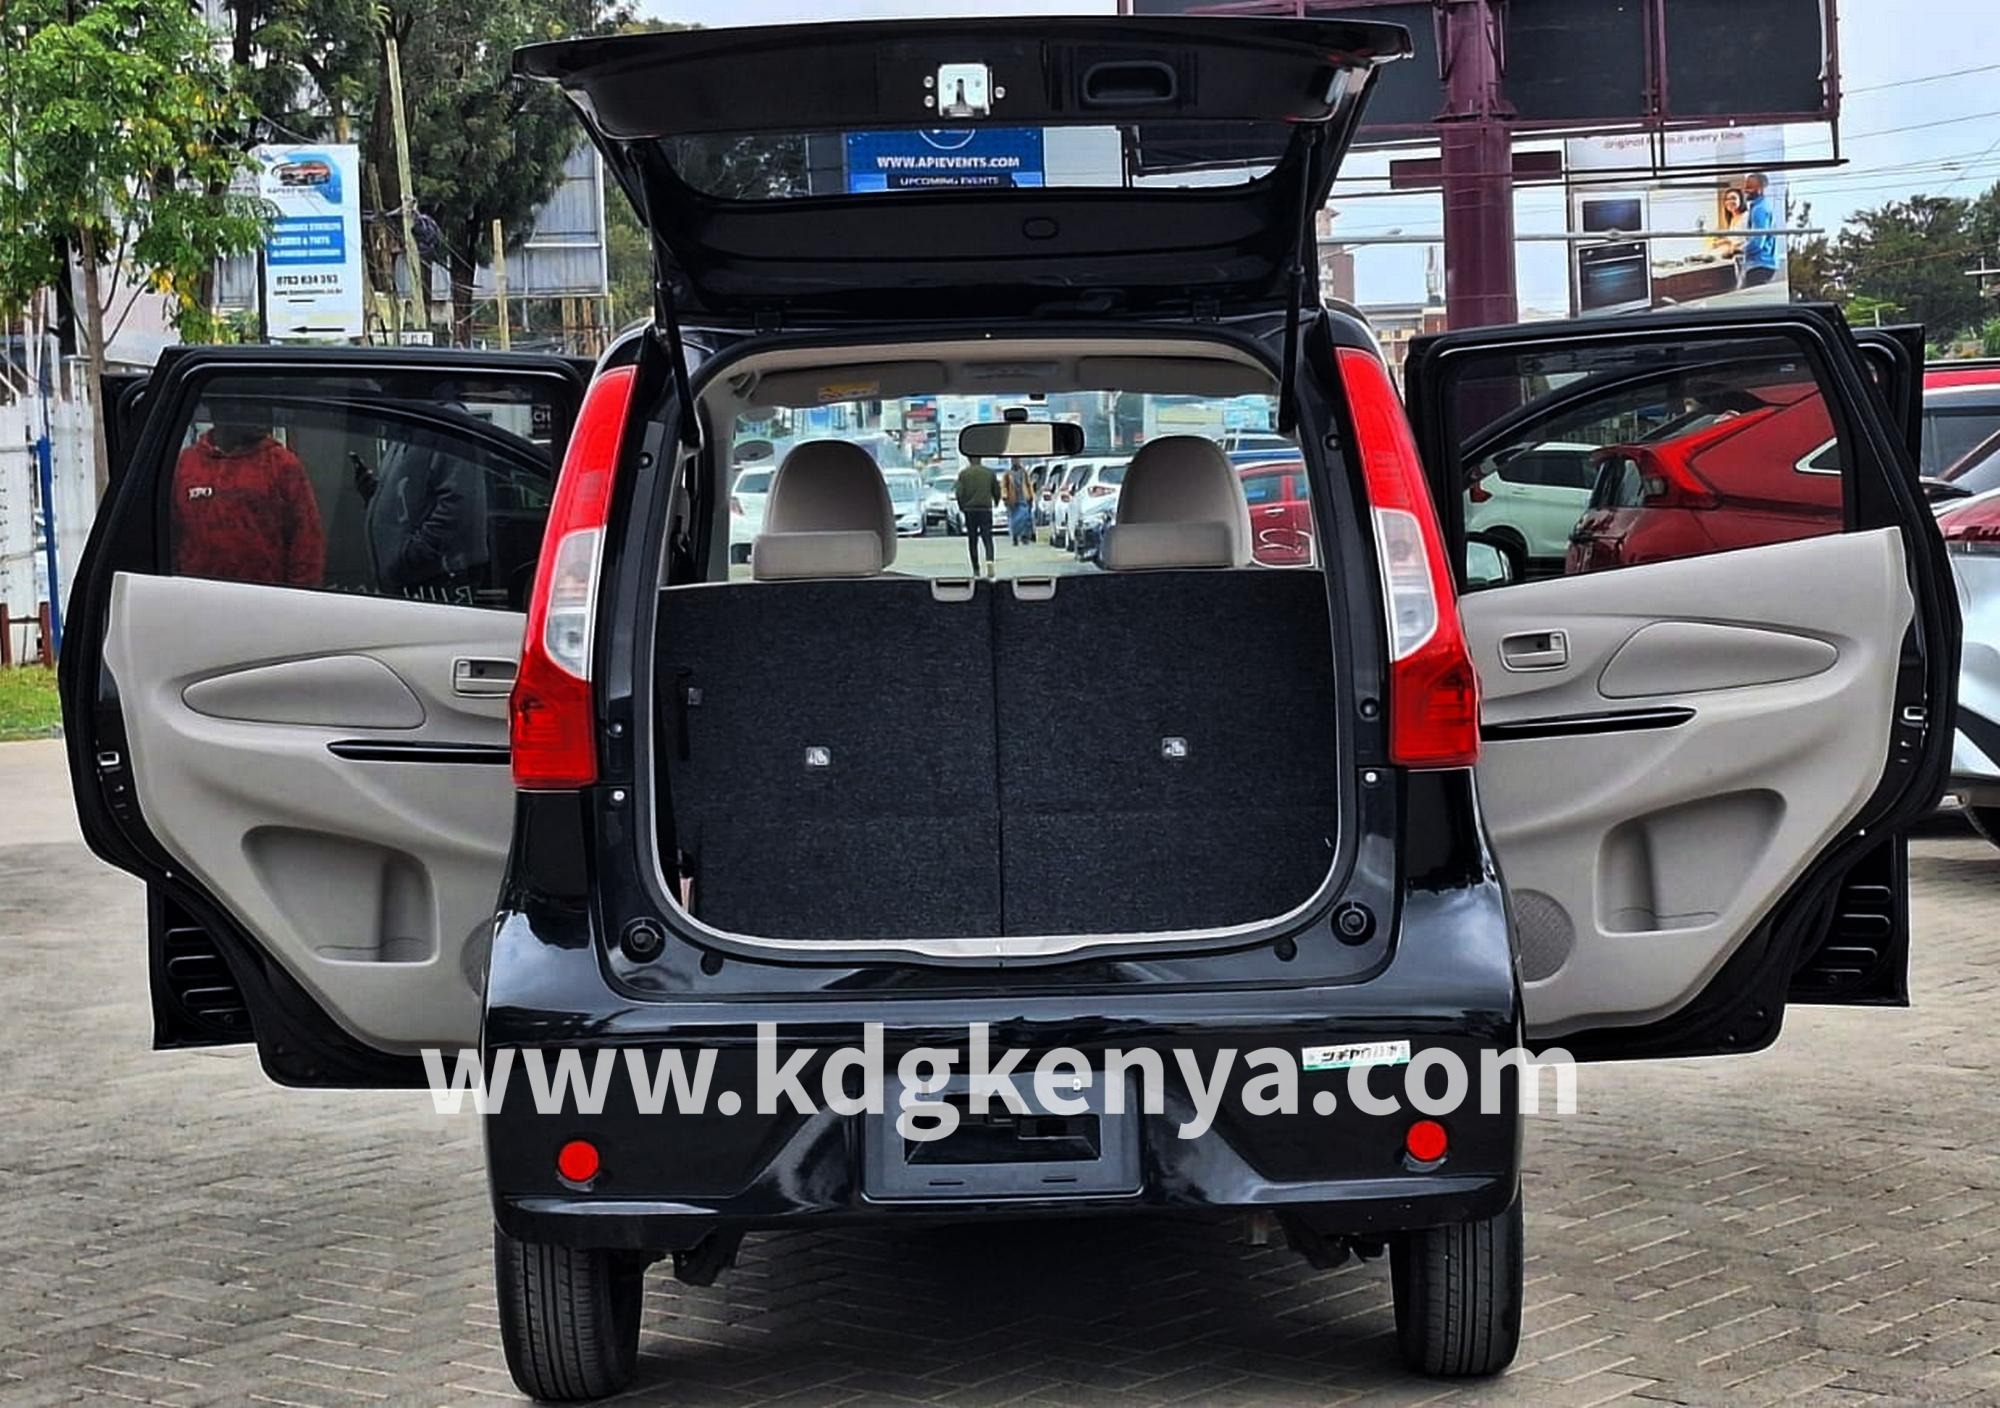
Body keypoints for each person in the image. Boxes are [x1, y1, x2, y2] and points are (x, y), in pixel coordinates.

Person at [354, 398, 491, 604]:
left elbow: (459, 506)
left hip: (436, 581)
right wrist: (375, 495)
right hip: (408, 581)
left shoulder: (446, 423)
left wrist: (413, 556)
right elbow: (410, 498)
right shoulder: (411, 427)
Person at [171, 405, 325, 588]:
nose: (259, 411)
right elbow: (168, 539)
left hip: (265, 598)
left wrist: (298, 598)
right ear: (218, 408)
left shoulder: (283, 465)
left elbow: (307, 544)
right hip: (195, 596)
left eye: (260, 403)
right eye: (245, 403)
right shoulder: (185, 465)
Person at [954, 454, 1001, 578]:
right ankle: (990, 561)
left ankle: (976, 568)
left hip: (970, 510)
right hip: (985, 509)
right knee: (987, 537)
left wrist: (962, 506)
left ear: (969, 460)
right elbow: (996, 490)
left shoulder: (964, 474)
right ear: (981, 459)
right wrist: (996, 501)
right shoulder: (989, 473)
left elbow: (959, 493)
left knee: (972, 539)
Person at [1740, 172, 1781, 289]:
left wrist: (1739, 250)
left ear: (1760, 189)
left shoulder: (1760, 209)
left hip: (1760, 264)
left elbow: (1757, 242)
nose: (1745, 190)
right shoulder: (1760, 206)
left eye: (1749, 187)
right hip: (1763, 264)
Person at [1713, 187, 1749, 286]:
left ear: (1741, 200)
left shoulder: (1746, 216)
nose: (1729, 202)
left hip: (1744, 258)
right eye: (1727, 199)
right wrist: (1722, 241)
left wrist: (1732, 249)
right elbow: (1735, 237)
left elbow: (1747, 240)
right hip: (1735, 259)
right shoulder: (1732, 218)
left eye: (1733, 198)